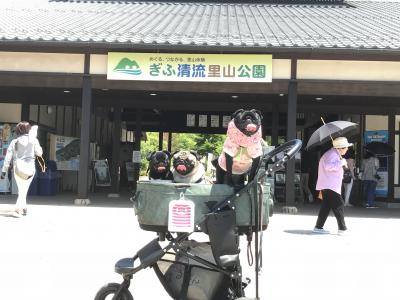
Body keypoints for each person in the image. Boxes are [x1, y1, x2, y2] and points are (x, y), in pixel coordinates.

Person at [0, 122, 42, 217]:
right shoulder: (34, 140)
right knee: (24, 189)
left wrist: (4, 171)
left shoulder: (14, 142)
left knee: (21, 189)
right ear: (29, 129)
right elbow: (39, 153)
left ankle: (21, 207)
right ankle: (22, 207)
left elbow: (8, 158)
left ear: (18, 130)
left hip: (18, 169)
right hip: (30, 169)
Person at [313, 136, 353, 235]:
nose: (347, 149)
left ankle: (318, 226)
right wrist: (341, 162)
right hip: (330, 185)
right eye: (346, 147)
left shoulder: (333, 153)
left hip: (328, 184)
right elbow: (328, 167)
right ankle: (342, 229)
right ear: (340, 148)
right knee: (339, 205)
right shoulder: (332, 154)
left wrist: (341, 161)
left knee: (326, 206)